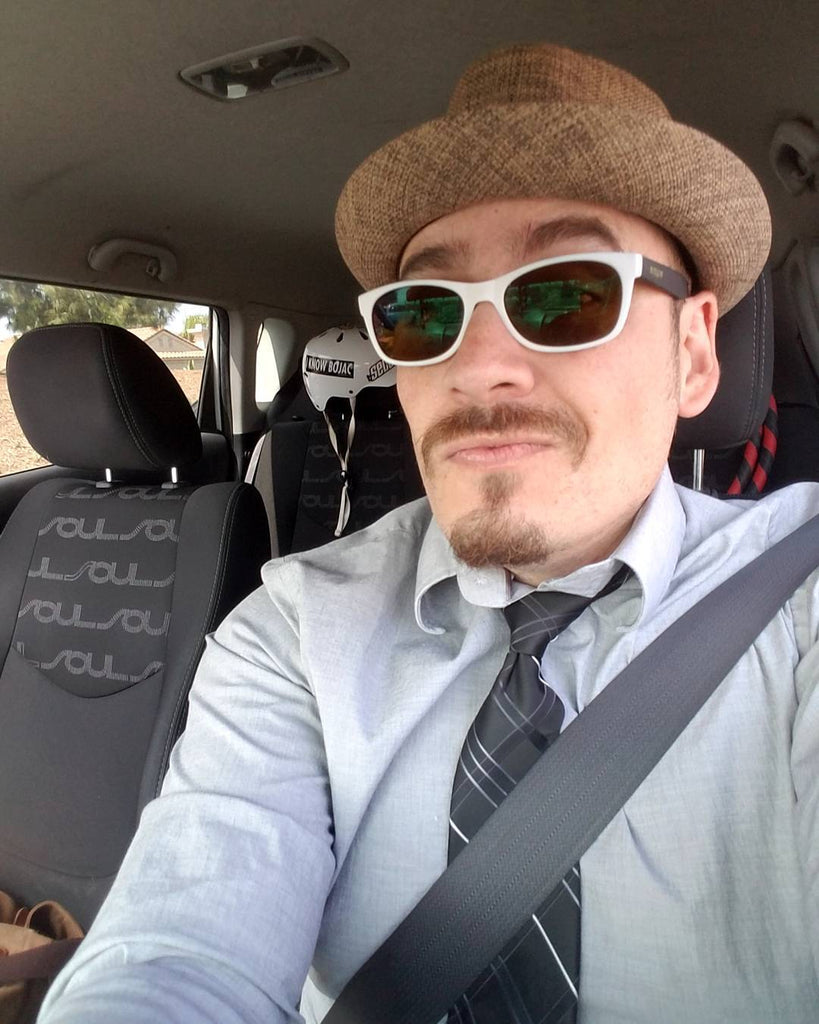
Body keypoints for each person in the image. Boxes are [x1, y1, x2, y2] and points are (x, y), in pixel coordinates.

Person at [39, 42, 817, 1024]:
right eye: (421, 313)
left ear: (694, 352)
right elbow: (175, 956)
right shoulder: (293, 632)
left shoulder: (797, 604)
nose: (478, 365)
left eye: (567, 293)